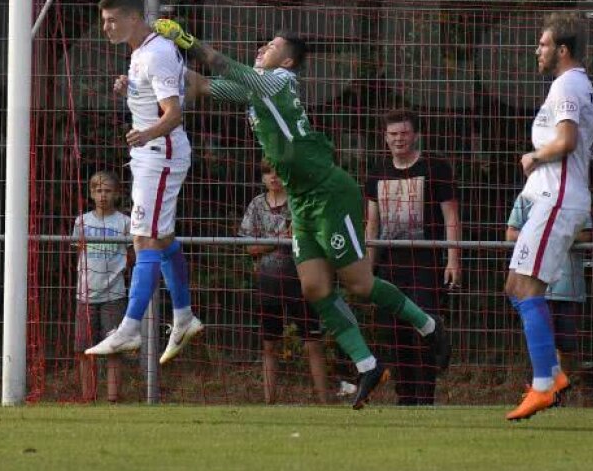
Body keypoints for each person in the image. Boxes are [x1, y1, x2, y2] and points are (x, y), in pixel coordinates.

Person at [153, 20, 450, 410]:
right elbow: (201, 84)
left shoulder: (279, 82)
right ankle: (367, 364)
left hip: (329, 192)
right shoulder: (255, 90)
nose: (262, 47)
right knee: (314, 288)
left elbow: (226, 68)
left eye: (271, 44)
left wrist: (187, 41)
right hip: (303, 200)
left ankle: (430, 327)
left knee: (358, 283)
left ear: (287, 60)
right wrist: (152, 59)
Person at [84, 0, 202, 364]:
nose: (106, 28)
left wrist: (146, 133)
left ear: (134, 18)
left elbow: (173, 113)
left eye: (112, 20)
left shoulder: (157, 53)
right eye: (103, 21)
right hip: (150, 155)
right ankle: (183, 316)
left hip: (160, 155)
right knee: (161, 237)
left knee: (143, 239)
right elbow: (153, 100)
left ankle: (130, 328)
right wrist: (128, 91)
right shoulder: (141, 53)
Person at [503, 11, 593, 420]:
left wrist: (533, 157)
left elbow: (566, 140)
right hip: (549, 198)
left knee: (527, 287)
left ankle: (544, 383)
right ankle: (553, 374)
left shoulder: (567, 85)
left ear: (562, 49)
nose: (536, 50)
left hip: (558, 200)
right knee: (515, 284)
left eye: (542, 44)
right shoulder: (568, 84)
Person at [365, 108, 461, 406]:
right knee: (394, 334)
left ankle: (425, 398)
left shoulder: (435, 168)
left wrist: (453, 259)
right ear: (385, 138)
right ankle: (404, 399)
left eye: (404, 133)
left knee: (424, 330)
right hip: (390, 267)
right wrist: (367, 268)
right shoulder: (376, 173)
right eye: (393, 134)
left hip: (426, 263)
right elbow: (372, 224)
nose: (399, 139)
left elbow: (451, 216)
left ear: (416, 135)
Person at [240, 160, 329, 405]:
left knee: (313, 343)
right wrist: (279, 240)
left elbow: (309, 237)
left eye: (278, 172)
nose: (274, 177)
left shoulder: (299, 203)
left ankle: (324, 401)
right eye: (268, 172)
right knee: (270, 345)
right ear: (262, 177)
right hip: (268, 285)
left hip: (302, 282)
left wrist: (276, 242)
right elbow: (249, 246)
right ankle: (270, 402)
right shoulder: (256, 205)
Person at [506, 194, 592, 403]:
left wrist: (556, 235)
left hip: (567, 287)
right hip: (534, 286)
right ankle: (540, 390)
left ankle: (558, 393)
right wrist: (537, 235)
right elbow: (511, 234)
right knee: (541, 340)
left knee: (567, 345)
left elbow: (587, 235)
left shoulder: (575, 195)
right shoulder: (527, 196)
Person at [73, 170, 133, 402]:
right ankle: (88, 397)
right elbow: (79, 252)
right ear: (91, 194)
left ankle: (112, 399)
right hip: (85, 294)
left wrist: (116, 271)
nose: (102, 195)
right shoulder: (82, 222)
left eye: (107, 191)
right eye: (98, 191)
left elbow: (131, 255)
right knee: (84, 349)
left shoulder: (125, 222)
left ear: (117, 194)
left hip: (114, 295)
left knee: (114, 349)